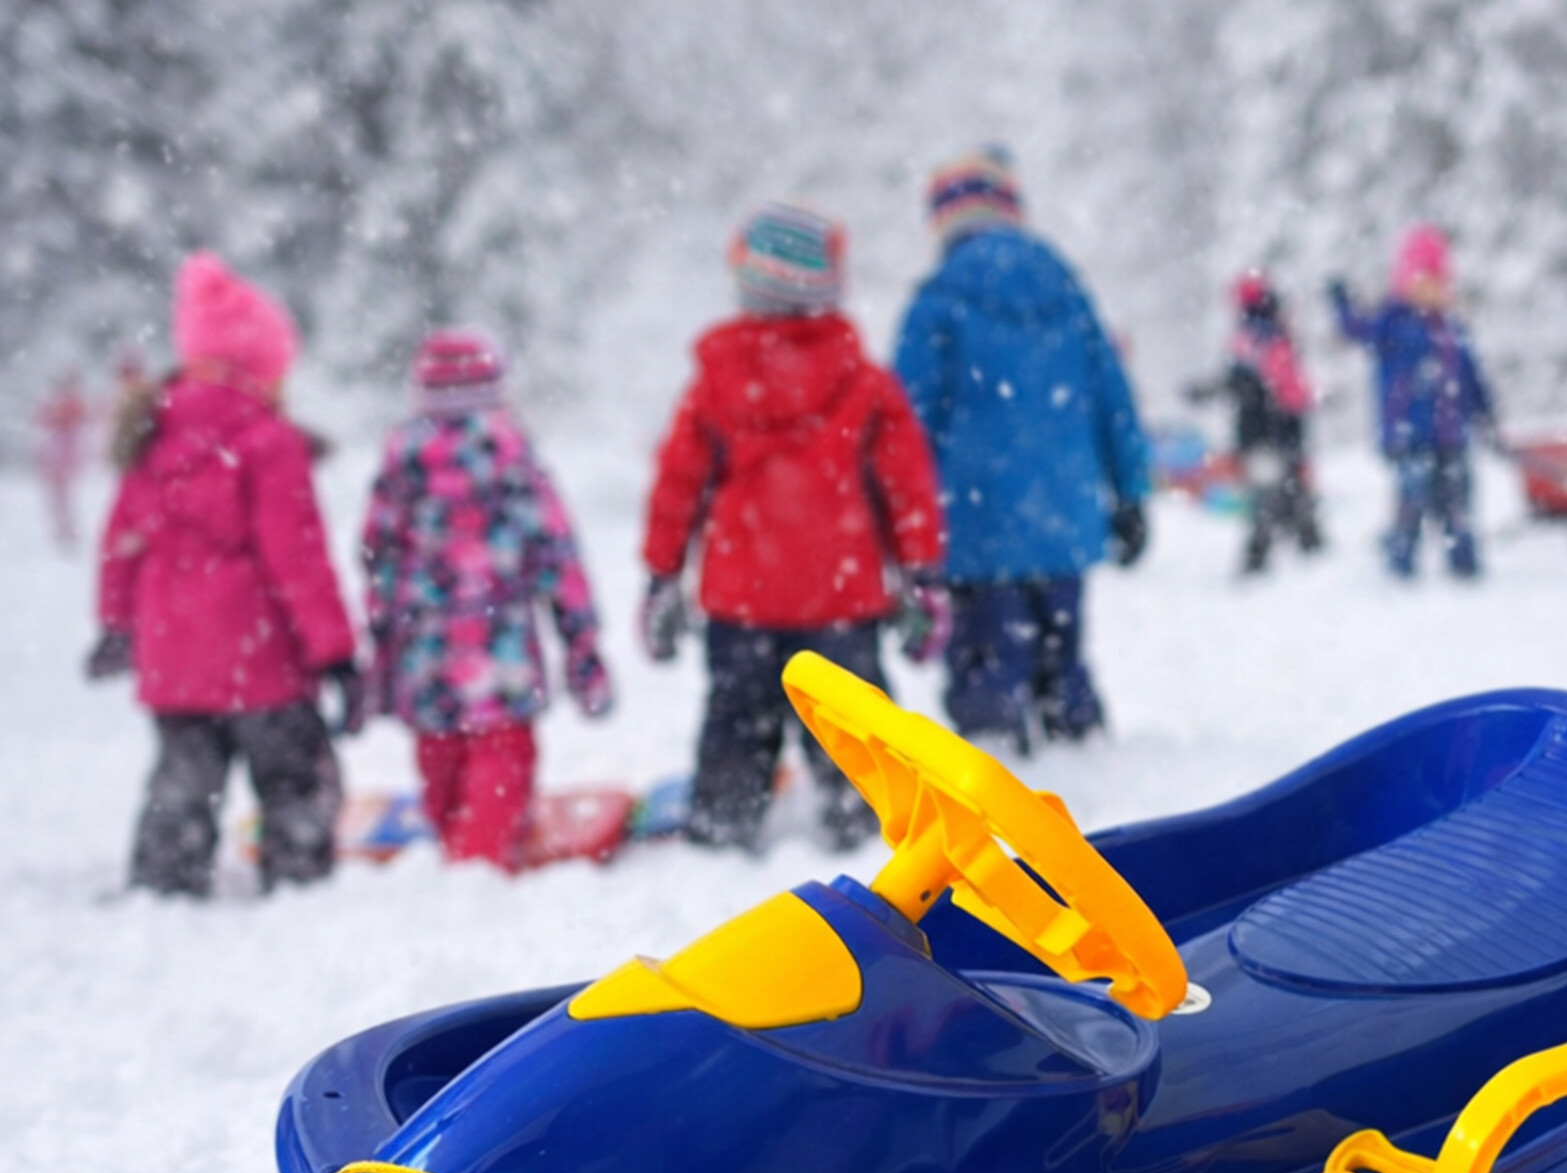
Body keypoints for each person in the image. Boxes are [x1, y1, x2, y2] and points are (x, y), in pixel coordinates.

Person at [641, 201, 944, 852]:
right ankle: (872, 826)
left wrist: (662, 574)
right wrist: (921, 571)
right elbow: (906, 486)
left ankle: (723, 824)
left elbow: (677, 487)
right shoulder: (864, 382)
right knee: (855, 732)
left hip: (742, 602)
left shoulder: (715, 383)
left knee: (736, 724)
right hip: (841, 601)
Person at [89, 251, 356, 897]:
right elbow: (297, 559)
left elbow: (121, 542)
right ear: (261, 365)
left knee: (182, 783)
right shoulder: (268, 440)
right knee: (295, 779)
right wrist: (334, 650)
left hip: (175, 659)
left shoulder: (150, 431)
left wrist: (116, 624)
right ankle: (298, 880)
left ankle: (167, 881)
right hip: (261, 663)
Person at [894, 146, 1149, 751]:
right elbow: (1113, 400)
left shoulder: (937, 302)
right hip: (1063, 521)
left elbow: (904, 423)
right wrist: (1131, 493)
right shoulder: (1067, 290)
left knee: (988, 669)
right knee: (1062, 654)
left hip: (975, 527)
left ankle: (997, 754)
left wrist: (898, 523)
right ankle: (1082, 748)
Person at [361, 330, 613, 870]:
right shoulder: (509, 455)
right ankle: (479, 860)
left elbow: (378, 555)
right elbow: (557, 554)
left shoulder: (402, 460)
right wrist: (581, 643)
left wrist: (381, 642)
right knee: (502, 757)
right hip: (501, 650)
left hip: (425, 651)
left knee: (440, 757)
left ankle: (455, 831)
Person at [1329, 225, 1497, 580]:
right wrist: (1341, 304)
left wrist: (1485, 414)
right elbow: (1356, 329)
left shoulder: (1452, 330)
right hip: (1408, 435)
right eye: (1421, 281)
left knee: (1457, 500)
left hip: (1451, 433)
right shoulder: (1392, 324)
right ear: (1404, 283)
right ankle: (1401, 560)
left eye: (1436, 282)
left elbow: (1472, 378)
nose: (1429, 290)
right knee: (1411, 499)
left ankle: (1463, 561)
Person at [1185, 271, 1323, 574]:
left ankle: (1261, 557)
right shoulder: (1279, 336)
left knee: (1266, 498)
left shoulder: (1249, 342)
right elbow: (1295, 390)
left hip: (1260, 436)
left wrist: (1208, 390)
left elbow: (1238, 384)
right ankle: (1309, 548)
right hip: (1286, 433)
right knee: (1293, 492)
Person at [32, 373, 91, 549]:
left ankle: (66, 530)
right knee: (60, 497)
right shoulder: (64, 403)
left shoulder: (66, 403)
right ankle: (64, 529)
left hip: (62, 452)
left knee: (62, 497)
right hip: (60, 451)